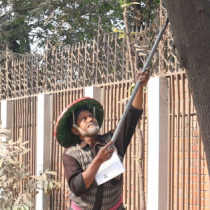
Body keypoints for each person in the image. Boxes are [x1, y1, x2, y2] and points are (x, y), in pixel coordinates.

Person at [54, 71, 150, 210]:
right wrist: (99, 160)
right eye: (84, 119)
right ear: (75, 130)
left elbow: (132, 115)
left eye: (91, 116)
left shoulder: (112, 140)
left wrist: (140, 86)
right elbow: (77, 187)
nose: (91, 119)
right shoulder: (71, 153)